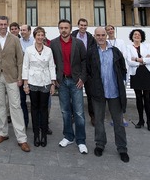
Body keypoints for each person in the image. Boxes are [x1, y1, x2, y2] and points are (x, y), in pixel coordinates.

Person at [0, 16, 30, 152]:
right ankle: (2, 133)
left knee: (15, 106)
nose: (3, 26)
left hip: (12, 77)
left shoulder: (15, 39)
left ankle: (22, 138)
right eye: (1, 24)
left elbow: (20, 60)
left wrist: (20, 78)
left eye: (5, 24)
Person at [87, 27, 130, 162]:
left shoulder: (115, 52)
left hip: (114, 92)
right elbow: (88, 71)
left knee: (118, 121)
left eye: (103, 35)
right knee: (99, 120)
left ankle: (122, 148)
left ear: (107, 36)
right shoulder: (91, 52)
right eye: (98, 35)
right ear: (94, 36)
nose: (100, 37)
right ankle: (100, 144)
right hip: (98, 93)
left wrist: (119, 83)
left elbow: (123, 69)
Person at [50, 19, 88, 155]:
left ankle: (81, 140)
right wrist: (54, 80)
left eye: (66, 28)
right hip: (62, 82)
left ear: (71, 29)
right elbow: (50, 62)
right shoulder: (54, 43)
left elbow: (85, 61)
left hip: (76, 81)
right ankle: (68, 136)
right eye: (61, 28)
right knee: (65, 111)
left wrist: (83, 78)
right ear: (58, 29)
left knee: (79, 112)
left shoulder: (78, 43)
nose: (64, 30)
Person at [22, 26, 56, 147]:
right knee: (35, 108)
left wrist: (53, 83)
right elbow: (25, 66)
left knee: (44, 108)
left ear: (44, 37)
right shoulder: (29, 50)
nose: (40, 37)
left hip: (46, 81)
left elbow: (51, 66)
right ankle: (36, 134)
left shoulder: (48, 50)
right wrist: (25, 84)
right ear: (34, 36)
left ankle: (44, 134)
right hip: (33, 82)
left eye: (42, 35)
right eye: (38, 35)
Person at [125, 28, 150, 132]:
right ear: (132, 36)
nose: (136, 36)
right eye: (135, 34)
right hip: (136, 74)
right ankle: (141, 120)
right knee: (138, 97)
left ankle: (149, 121)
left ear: (141, 37)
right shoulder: (128, 47)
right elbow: (129, 61)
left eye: (138, 34)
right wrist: (143, 60)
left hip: (147, 73)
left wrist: (137, 59)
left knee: (147, 97)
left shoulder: (147, 46)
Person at [72, 18, 97, 126]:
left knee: (91, 94)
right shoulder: (72, 36)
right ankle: (73, 115)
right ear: (78, 25)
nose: (83, 27)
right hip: (76, 69)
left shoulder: (91, 38)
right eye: (81, 25)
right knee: (73, 93)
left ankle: (93, 116)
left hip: (88, 70)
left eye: (85, 25)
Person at [105, 24, 129, 127]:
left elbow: (124, 55)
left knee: (121, 96)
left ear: (114, 30)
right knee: (112, 97)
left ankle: (121, 116)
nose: (110, 31)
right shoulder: (105, 43)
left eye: (111, 29)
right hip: (109, 73)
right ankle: (113, 117)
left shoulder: (120, 42)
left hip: (119, 72)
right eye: (108, 30)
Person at [19, 24, 34, 129]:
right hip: (21, 75)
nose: (22, 32)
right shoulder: (17, 42)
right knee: (22, 101)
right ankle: (25, 123)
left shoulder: (35, 41)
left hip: (34, 76)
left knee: (35, 102)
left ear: (29, 31)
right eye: (21, 30)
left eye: (24, 30)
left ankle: (38, 124)